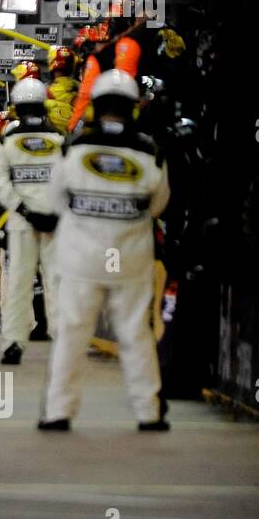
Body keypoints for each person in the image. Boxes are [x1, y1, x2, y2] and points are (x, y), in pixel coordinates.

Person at [40, 69, 171, 431]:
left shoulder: (72, 148)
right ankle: (149, 413)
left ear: (95, 106)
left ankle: (58, 412)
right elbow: (158, 205)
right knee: (136, 334)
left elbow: (56, 200)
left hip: (81, 259)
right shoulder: (151, 152)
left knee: (71, 334)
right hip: (129, 258)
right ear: (134, 107)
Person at [0, 78, 64, 365]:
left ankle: (13, 344)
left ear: (16, 107)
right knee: (57, 282)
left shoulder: (7, 140)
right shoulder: (59, 139)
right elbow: (70, 179)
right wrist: (55, 212)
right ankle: (62, 342)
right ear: (44, 105)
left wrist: (25, 210)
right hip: (55, 223)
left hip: (21, 222)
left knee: (19, 283)